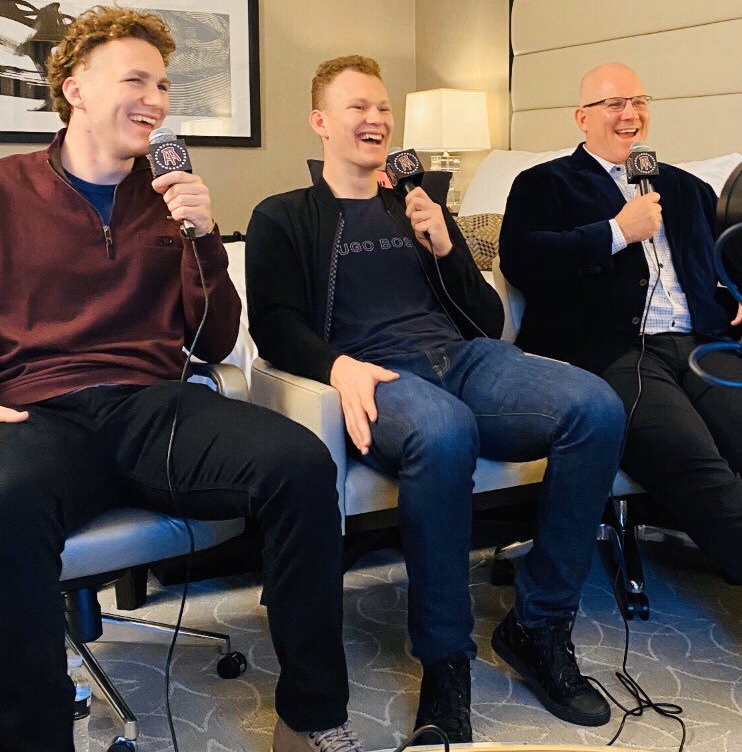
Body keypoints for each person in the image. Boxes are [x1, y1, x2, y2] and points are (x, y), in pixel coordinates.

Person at [0, 7, 359, 752]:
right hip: (41, 412)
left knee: (300, 462)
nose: (156, 100)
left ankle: (313, 717)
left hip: (153, 406)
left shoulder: (170, 198)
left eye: (163, 85)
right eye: (136, 80)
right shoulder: (7, 189)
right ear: (76, 89)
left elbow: (216, 340)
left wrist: (204, 237)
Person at [246, 55, 627, 739]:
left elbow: (486, 320)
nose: (375, 119)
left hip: (464, 359)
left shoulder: (416, 206)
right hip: (377, 375)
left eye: (383, 107)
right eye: (358, 107)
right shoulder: (284, 215)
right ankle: (446, 661)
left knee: (596, 407)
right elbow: (272, 324)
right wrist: (338, 366)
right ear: (320, 121)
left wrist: (447, 245)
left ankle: (539, 626)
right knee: (445, 431)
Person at [499, 61, 742, 582]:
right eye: (614, 104)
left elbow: (716, 269)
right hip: (610, 351)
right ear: (582, 117)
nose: (629, 114)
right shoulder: (546, 183)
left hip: (699, 344)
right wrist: (616, 232)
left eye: (638, 102)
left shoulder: (687, 188)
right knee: (695, 461)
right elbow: (522, 261)